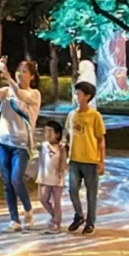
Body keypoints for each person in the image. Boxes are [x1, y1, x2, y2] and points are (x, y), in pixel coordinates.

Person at [0, 57, 40, 232]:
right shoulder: (7, 91)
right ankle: (14, 219)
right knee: (7, 182)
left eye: (25, 72)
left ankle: (28, 209)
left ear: (31, 76)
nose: (21, 74)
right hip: (2, 142)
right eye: (19, 71)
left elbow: (20, 94)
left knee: (16, 179)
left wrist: (7, 76)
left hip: (21, 145)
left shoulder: (33, 94)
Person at [65, 81, 105, 234]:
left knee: (91, 193)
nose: (77, 96)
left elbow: (101, 139)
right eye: (76, 93)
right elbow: (67, 135)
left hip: (90, 160)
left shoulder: (95, 116)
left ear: (87, 96)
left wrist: (101, 161)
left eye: (79, 93)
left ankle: (90, 222)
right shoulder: (72, 115)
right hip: (75, 159)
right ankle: (79, 215)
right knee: (72, 189)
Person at [35, 119, 68, 233]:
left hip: (57, 178)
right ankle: (55, 217)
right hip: (44, 177)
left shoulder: (61, 148)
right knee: (42, 199)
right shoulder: (43, 146)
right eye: (45, 131)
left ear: (57, 134)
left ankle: (56, 223)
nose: (47, 134)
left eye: (50, 131)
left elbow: (63, 162)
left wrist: (60, 171)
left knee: (56, 201)